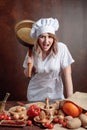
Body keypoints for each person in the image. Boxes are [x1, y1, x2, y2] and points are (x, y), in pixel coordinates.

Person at [23, 18, 75, 102]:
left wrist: (71, 101)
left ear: (54, 38)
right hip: (35, 95)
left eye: (50, 37)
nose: (46, 41)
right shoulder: (32, 50)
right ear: (38, 38)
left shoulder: (62, 48)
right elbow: (27, 74)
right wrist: (30, 65)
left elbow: (68, 75)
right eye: (42, 37)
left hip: (55, 94)